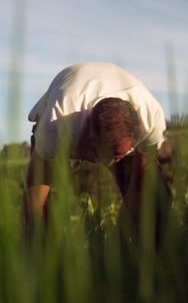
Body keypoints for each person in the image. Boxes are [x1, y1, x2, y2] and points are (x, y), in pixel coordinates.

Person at [23, 62, 172, 235]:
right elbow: (33, 193)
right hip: (66, 124)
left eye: (115, 156)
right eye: (97, 151)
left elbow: (139, 186)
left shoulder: (151, 121)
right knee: (39, 219)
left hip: (114, 135)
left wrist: (119, 240)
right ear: (87, 126)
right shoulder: (56, 124)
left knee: (155, 202)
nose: (105, 163)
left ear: (134, 139)